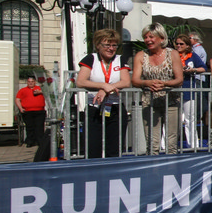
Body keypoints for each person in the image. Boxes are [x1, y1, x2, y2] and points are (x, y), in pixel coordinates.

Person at [76, 29, 131, 158]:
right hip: (95, 108)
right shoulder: (91, 58)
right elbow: (81, 81)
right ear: (98, 45)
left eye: (114, 45)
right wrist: (102, 85)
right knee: (93, 149)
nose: (111, 49)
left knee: (114, 149)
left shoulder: (120, 59)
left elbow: (125, 82)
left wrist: (107, 89)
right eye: (107, 45)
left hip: (115, 107)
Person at [132, 23, 184, 155]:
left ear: (161, 38)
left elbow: (179, 79)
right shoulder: (140, 55)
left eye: (151, 37)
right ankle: (153, 166)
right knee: (152, 143)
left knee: (171, 143)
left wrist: (165, 84)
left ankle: (172, 165)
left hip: (171, 102)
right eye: (145, 37)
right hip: (149, 103)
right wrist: (147, 83)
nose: (148, 40)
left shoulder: (173, 54)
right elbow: (135, 80)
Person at [175, 34, 207, 148]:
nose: (179, 46)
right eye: (177, 44)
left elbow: (203, 68)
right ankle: (168, 145)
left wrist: (193, 70)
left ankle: (193, 144)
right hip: (175, 89)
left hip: (189, 88)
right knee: (174, 119)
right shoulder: (173, 55)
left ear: (187, 45)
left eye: (181, 44)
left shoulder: (193, 55)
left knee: (190, 118)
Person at [15, 76, 46, 147]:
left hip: (39, 111)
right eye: (29, 82)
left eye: (32, 82)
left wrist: (40, 92)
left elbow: (48, 92)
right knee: (29, 127)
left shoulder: (39, 88)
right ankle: (30, 142)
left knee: (39, 127)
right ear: (27, 82)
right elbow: (17, 99)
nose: (30, 83)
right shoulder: (22, 90)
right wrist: (21, 108)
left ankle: (40, 142)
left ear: (35, 82)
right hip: (28, 111)